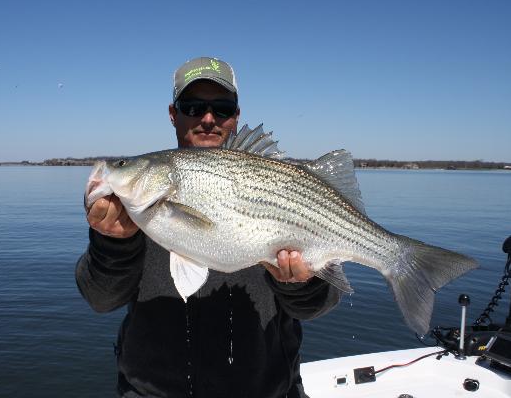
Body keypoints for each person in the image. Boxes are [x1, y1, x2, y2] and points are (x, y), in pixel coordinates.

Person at [76, 57, 341, 398]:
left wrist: (297, 284)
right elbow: (100, 299)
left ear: (236, 115)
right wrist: (113, 244)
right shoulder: (130, 212)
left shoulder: (280, 185)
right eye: (192, 106)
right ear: (173, 114)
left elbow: (314, 308)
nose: (207, 118)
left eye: (222, 108)